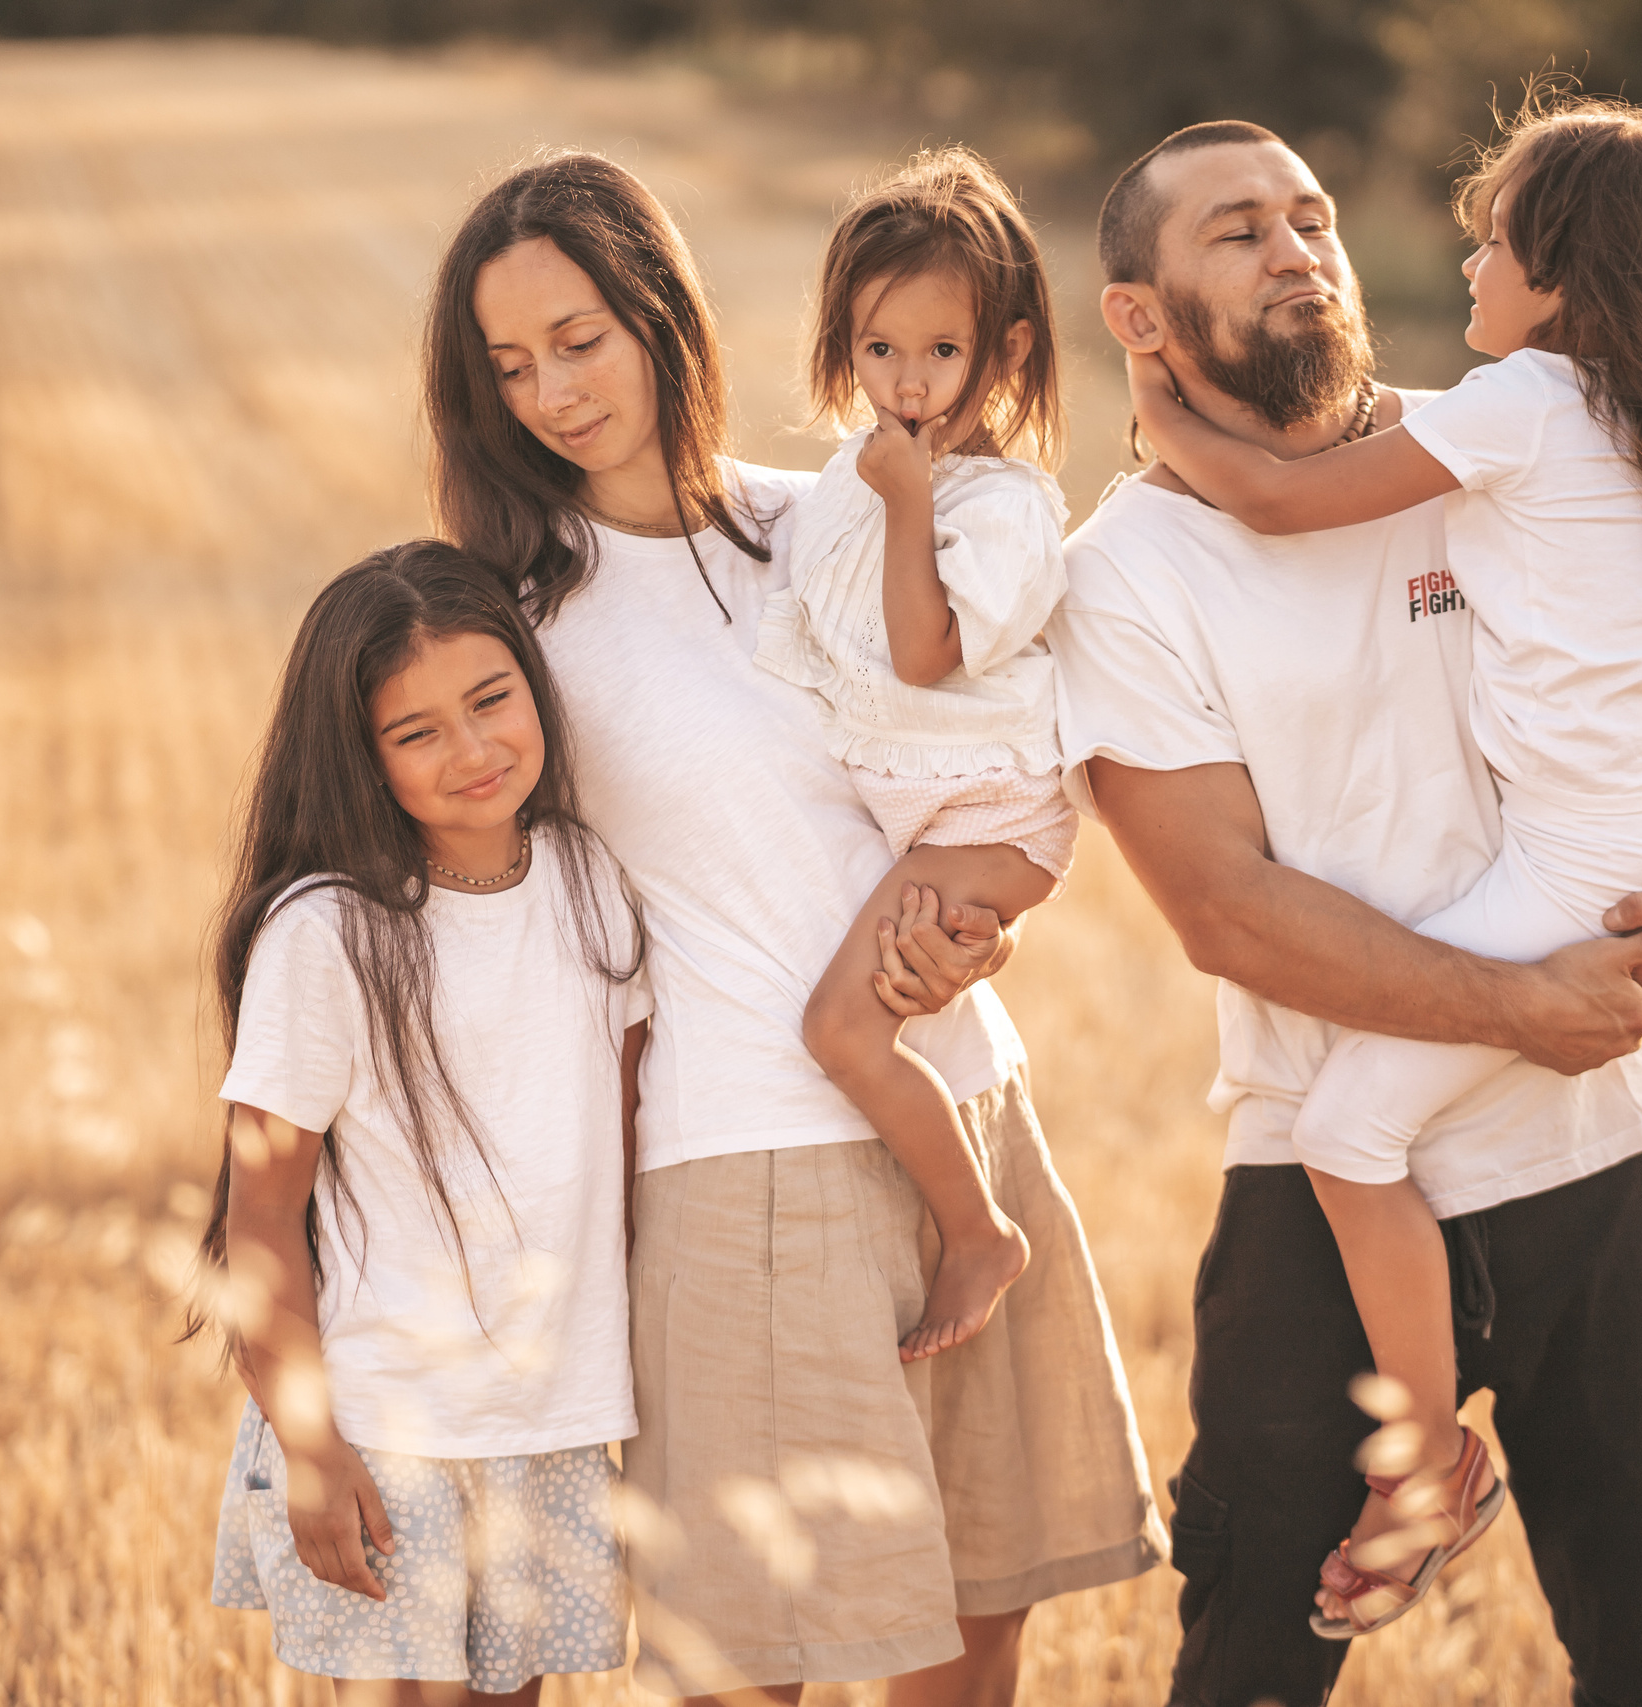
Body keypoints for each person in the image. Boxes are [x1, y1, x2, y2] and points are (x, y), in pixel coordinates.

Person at [1048, 119, 1642, 1705]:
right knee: (1250, 1661)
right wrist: (1517, 1003)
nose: (1299, 244)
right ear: (1139, 315)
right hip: (1321, 1184)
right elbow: (1228, 912)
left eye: (1310, 214)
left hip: (1601, 1146)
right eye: (1239, 230)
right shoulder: (1127, 573)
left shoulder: (1507, 446)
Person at [420, 151, 1165, 1705]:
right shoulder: (510, 622)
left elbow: (970, 760)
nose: (552, 391)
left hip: (958, 1098)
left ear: (659, 315)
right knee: (753, 1665)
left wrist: (983, 925)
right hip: (748, 1158)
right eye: (510, 365)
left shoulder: (826, 513)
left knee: (979, 1612)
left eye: (579, 338)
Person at [192, 542, 651, 1706]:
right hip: (385, 1418)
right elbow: (262, 1218)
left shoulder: (593, 883)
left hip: (549, 1418)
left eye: (492, 701)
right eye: (417, 732)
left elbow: (635, 1139)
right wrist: (306, 1446)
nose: (474, 750)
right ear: (361, 756)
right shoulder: (329, 934)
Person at [755, 148, 1079, 1361]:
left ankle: (976, 1228)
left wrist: (906, 502)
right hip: (938, 812)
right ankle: (970, 1217)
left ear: (1006, 353)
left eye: (940, 352)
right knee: (852, 1017)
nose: (904, 381)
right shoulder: (861, 467)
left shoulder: (1001, 509)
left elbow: (923, 654)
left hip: (987, 815)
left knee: (842, 1030)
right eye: (877, 349)